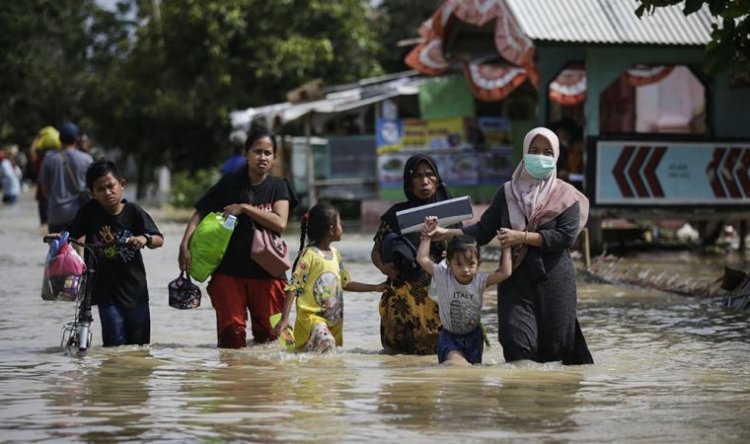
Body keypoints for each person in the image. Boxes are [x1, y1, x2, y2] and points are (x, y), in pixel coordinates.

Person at [428, 127, 593, 365]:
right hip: (515, 279)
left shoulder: (566, 196)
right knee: (517, 344)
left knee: (557, 347)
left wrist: (522, 238)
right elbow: (482, 230)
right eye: (534, 150)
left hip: (555, 279)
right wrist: (446, 232)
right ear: (524, 153)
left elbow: (565, 237)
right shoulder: (508, 193)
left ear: (556, 156)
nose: (540, 157)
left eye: (547, 152)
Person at [178, 129, 298, 348]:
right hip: (228, 273)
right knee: (231, 338)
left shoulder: (279, 186)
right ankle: (233, 380)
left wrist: (244, 208)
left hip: (269, 274)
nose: (262, 157)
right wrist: (184, 244)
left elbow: (280, 223)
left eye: (267, 153)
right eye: (257, 151)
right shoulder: (229, 183)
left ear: (274, 157)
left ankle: (281, 382)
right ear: (246, 153)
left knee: (276, 340)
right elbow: (200, 212)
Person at [64, 159, 164, 346]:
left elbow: (158, 239)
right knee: (113, 347)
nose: (107, 193)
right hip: (105, 294)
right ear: (92, 193)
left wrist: (144, 239)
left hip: (136, 292)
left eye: (111, 186)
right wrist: (59, 238)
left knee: (139, 348)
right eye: (100, 189)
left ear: (122, 185)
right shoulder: (89, 212)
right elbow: (71, 234)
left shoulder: (133, 211)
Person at [371, 154, 460, 355]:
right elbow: (376, 250)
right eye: (417, 176)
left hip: (437, 296)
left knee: (439, 355)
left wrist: (453, 256)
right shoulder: (395, 215)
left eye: (429, 175)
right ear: (409, 182)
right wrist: (384, 267)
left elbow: (467, 250)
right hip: (402, 301)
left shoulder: (451, 213)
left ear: (437, 179)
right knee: (398, 361)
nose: (424, 181)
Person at [274, 203, 387, 352]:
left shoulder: (335, 254)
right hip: (311, 318)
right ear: (331, 229)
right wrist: (284, 319)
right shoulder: (309, 256)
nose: (343, 226)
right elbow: (293, 287)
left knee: (321, 359)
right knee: (326, 342)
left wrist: (375, 287)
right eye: (340, 223)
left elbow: (346, 283)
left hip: (332, 320)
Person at [417, 217, 512, 365]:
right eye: (459, 264)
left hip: (474, 337)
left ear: (479, 263)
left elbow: (505, 273)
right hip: (449, 337)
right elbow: (422, 259)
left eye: (471, 264)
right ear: (449, 263)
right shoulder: (443, 275)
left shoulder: (480, 280)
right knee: (456, 364)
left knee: (472, 379)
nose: (466, 269)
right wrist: (427, 236)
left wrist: (506, 246)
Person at [38, 122, 94, 233]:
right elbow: (93, 188)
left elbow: (44, 189)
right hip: (80, 214)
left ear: (59, 138)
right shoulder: (87, 159)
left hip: (56, 214)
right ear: (77, 138)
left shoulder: (48, 159)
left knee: (58, 249)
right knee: (81, 249)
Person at [30, 126, 61, 226]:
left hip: (44, 199)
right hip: (58, 199)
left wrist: (37, 138)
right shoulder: (60, 160)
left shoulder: (42, 161)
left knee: (45, 227)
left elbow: (32, 153)